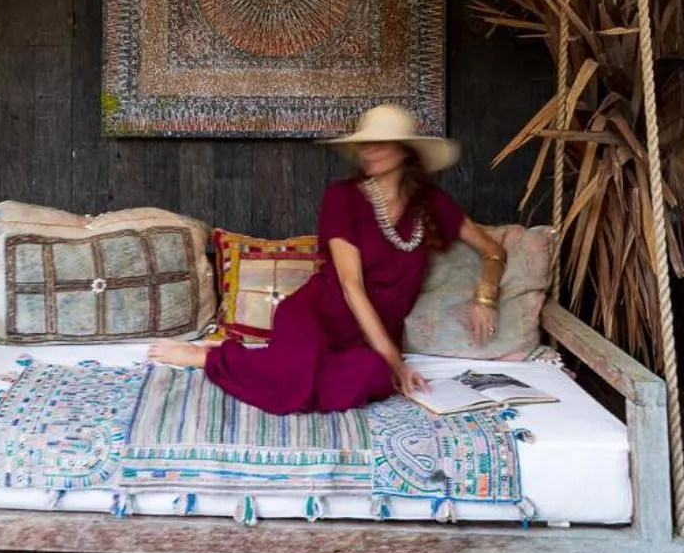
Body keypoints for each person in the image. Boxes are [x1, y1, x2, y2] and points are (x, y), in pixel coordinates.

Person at [148, 104, 507, 414]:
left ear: (405, 151)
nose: (369, 151)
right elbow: (352, 287)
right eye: (364, 144)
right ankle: (211, 357)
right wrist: (397, 361)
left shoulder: (431, 204)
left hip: (371, 336)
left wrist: (485, 296)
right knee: (301, 370)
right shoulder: (343, 198)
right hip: (316, 314)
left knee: (375, 377)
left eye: (379, 142)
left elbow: (493, 250)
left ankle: (273, 369)